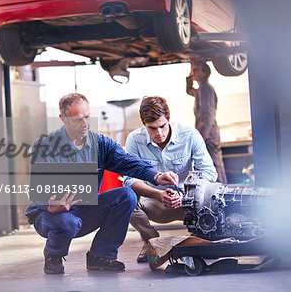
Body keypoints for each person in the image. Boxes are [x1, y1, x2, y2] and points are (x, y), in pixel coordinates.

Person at [24, 93, 178, 274]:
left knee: (126, 196)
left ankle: (101, 255)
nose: (85, 124)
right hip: (51, 216)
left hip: (85, 209)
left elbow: (130, 162)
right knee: (67, 223)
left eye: (88, 117)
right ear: (63, 119)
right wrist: (50, 205)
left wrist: (156, 176)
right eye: (77, 120)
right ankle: (53, 255)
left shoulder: (100, 144)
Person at [123, 96, 217, 262]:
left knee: (216, 197)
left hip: (189, 203)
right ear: (143, 124)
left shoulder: (190, 135)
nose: (159, 133)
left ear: (168, 119)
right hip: (154, 202)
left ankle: (200, 236)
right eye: (152, 128)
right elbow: (129, 180)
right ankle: (151, 241)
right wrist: (158, 194)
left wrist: (185, 196)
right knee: (125, 197)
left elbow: (210, 173)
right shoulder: (134, 140)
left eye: (162, 126)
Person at [186, 60, 227, 183]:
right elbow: (189, 91)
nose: (193, 72)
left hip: (208, 134)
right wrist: (190, 76)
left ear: (204, 73)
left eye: (196, 70)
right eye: (192, 70)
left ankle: (221, 191)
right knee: (213, 164)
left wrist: (201, 136)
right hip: (208, 133)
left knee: (214, 165)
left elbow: (208, 115)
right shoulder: (201, 89)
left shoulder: (206, 89)